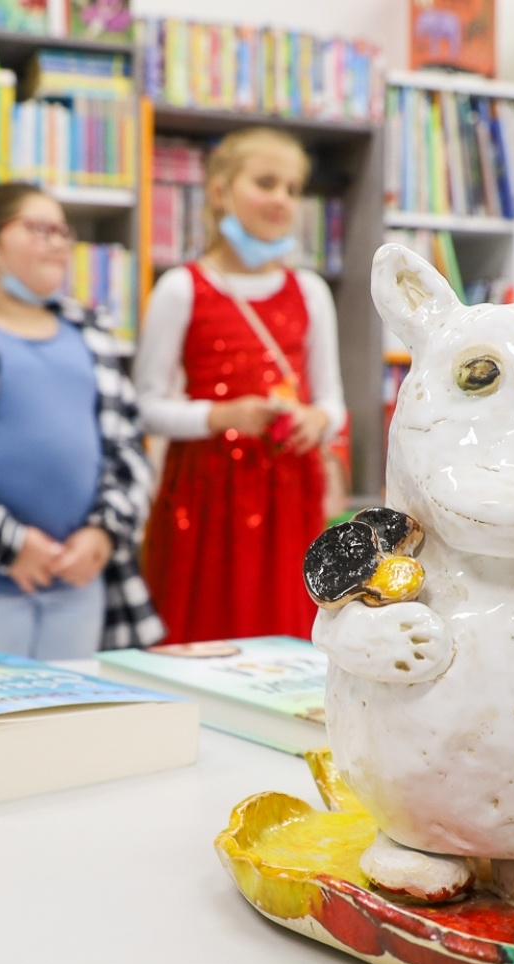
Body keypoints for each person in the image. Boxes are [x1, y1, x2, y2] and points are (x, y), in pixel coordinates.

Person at [0, 182, 164, 658]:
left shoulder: (92, 336)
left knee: (77, 717)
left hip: (83, 584)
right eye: (40, 229)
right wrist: (11, 544)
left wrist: (103, 532)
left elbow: (128, 450)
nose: (58, 242)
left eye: (63, 231)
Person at [135, 127, 347, 643]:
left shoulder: (310, 292)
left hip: (289, 493)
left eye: (293, 189)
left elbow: (332, 402)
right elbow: (143, 405)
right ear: (219, 192)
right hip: (205, 494)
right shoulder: (182, 288)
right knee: (202, 626)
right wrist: (220, 417)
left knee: (287, 629)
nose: (281, 200)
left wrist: (316, 420)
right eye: (266, 183)